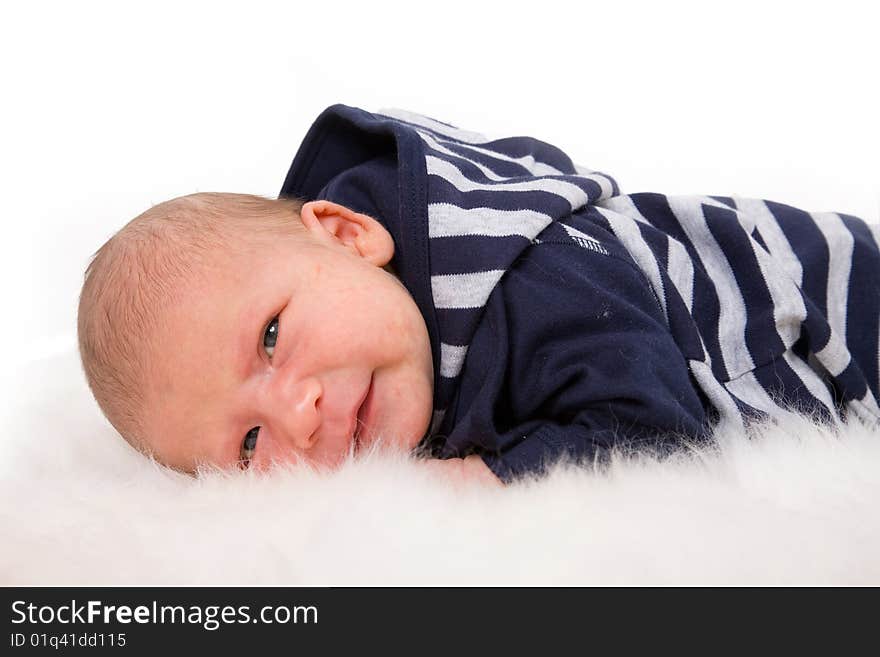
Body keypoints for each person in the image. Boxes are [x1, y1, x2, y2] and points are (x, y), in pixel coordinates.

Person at [77, 104, 880, 485]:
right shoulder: (401, 341)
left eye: (273, 339)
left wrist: (487, 480)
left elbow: (657, 432)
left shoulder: (533, 285)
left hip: (842, 304)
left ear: (350, 235)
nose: (298, 413)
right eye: (249, 444)